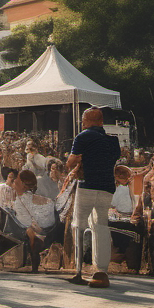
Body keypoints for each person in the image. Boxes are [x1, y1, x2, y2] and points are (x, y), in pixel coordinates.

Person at [65, 106, 121, 288]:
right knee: (101, 226)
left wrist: (78, 159)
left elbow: (70, 163)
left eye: (83, 122)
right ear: (101, 122)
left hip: (87, 185)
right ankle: (102, 270)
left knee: (79, 225)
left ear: (85, 122)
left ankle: (79, 270)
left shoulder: (83, 137)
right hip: (107, 187)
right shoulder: (113, 141)